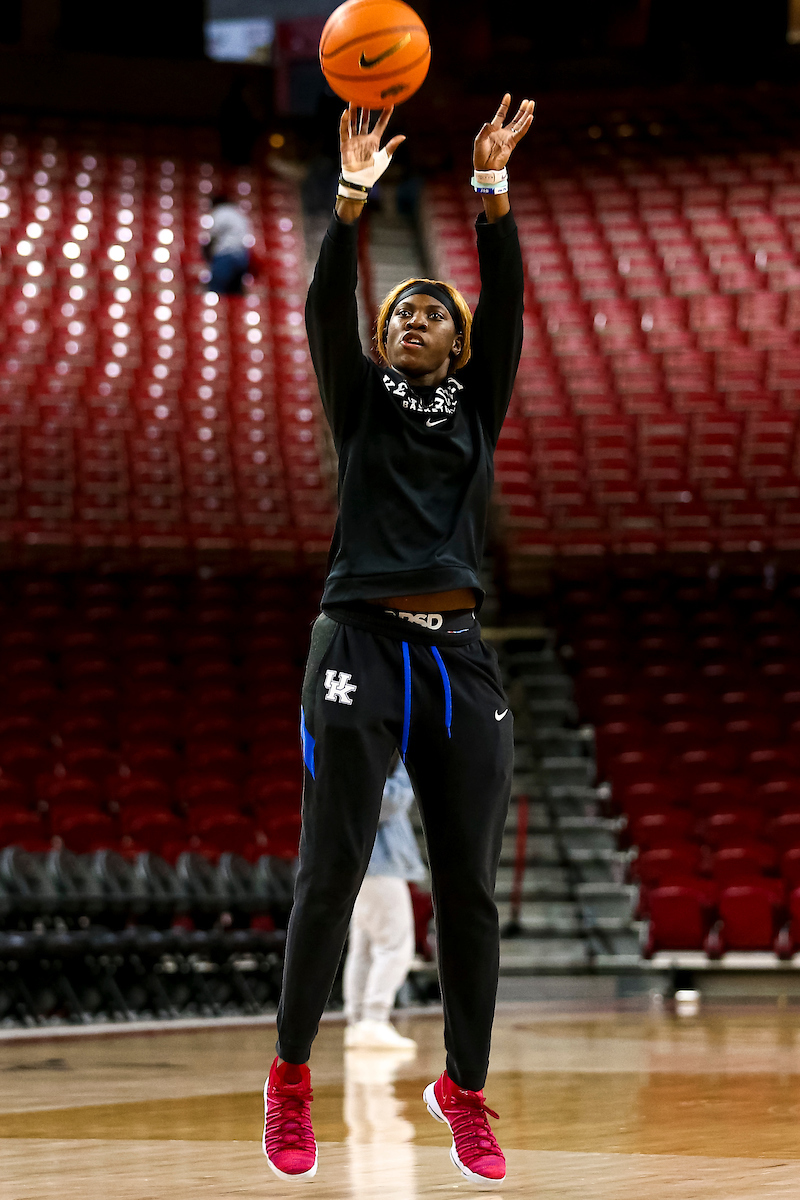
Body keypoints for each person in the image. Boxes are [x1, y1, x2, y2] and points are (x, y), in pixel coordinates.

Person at [262, 93, 534, 1186]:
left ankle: (462, 1089)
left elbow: (506, 296)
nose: (411, 317)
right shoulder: (363, 399)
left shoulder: (476, 400)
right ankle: (288, 1080)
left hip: (456, 659)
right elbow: (331, 303)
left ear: (460, 344)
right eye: (400, 313)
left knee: (464, 887)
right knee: (329, 867)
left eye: (432, 312)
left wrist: (489, 191)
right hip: (357, 648)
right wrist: (350, 198)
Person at [343, 753, 426, 1051]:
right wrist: (408, 767)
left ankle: (358, 1022)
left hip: (362, 864)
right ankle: (374, 1020)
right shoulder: (369, 759)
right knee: (395, 946)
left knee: (364, 947)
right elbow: (387, 802)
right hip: (379, 865)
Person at [205, 194, 252, 295]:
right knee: (235, 294)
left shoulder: (221, 212)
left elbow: (213, 235)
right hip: (242, 256)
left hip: (225, 255)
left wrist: (206, 251)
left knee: (217, 292)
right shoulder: (239, 214)